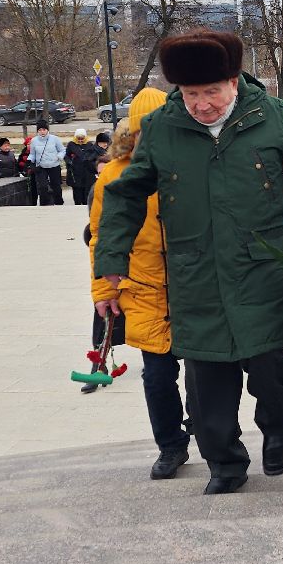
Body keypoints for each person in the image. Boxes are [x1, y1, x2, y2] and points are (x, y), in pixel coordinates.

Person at [96, 30, 283, 496]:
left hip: (261, 270)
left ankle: (278, 428)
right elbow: (125, 194)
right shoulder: (161, 128)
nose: (202, 104)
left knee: (272, 375)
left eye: (211, 92)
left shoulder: (271, 117)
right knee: (205, 390)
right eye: (191, 94)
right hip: (197, 276)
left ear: (233, 81)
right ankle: (225, 463)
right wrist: (111, 258)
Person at [90, 91, 195, 478]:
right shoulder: (115, 175)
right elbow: (101, 236)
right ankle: (170, 445)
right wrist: (104, 289)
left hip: (194, 285)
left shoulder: (191, 163)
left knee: (206, 372)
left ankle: (211, 427)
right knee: (157, 376)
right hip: (145, 288)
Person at [27, 120, 67, 205]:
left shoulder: (55, 139)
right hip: (41, 167)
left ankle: (59, 202)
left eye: (44, 130)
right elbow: (32, 154)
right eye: (40, 130)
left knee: (56, 185)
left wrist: (58, 157)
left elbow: (62, 150)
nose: (42, 132)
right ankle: (44, 203)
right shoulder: (34, 141)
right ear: (38, 131)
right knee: (42, 186)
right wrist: (30, 162)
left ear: (47, 130)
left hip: (54, 165)